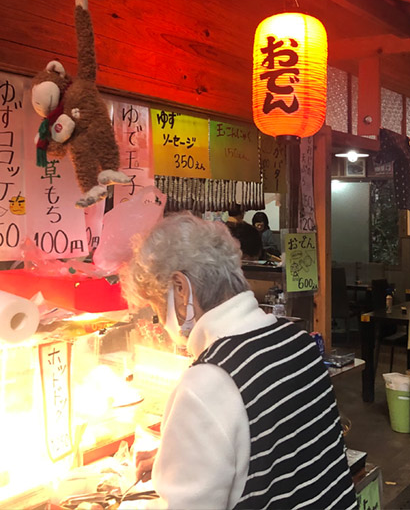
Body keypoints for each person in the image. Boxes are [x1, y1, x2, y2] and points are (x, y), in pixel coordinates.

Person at [121, 213, 357, 510]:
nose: (161, 320)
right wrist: (182, 457)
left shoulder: (208, 382)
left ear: (181, 290)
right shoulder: (297, 340)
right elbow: (283, 456)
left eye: (157, 305)